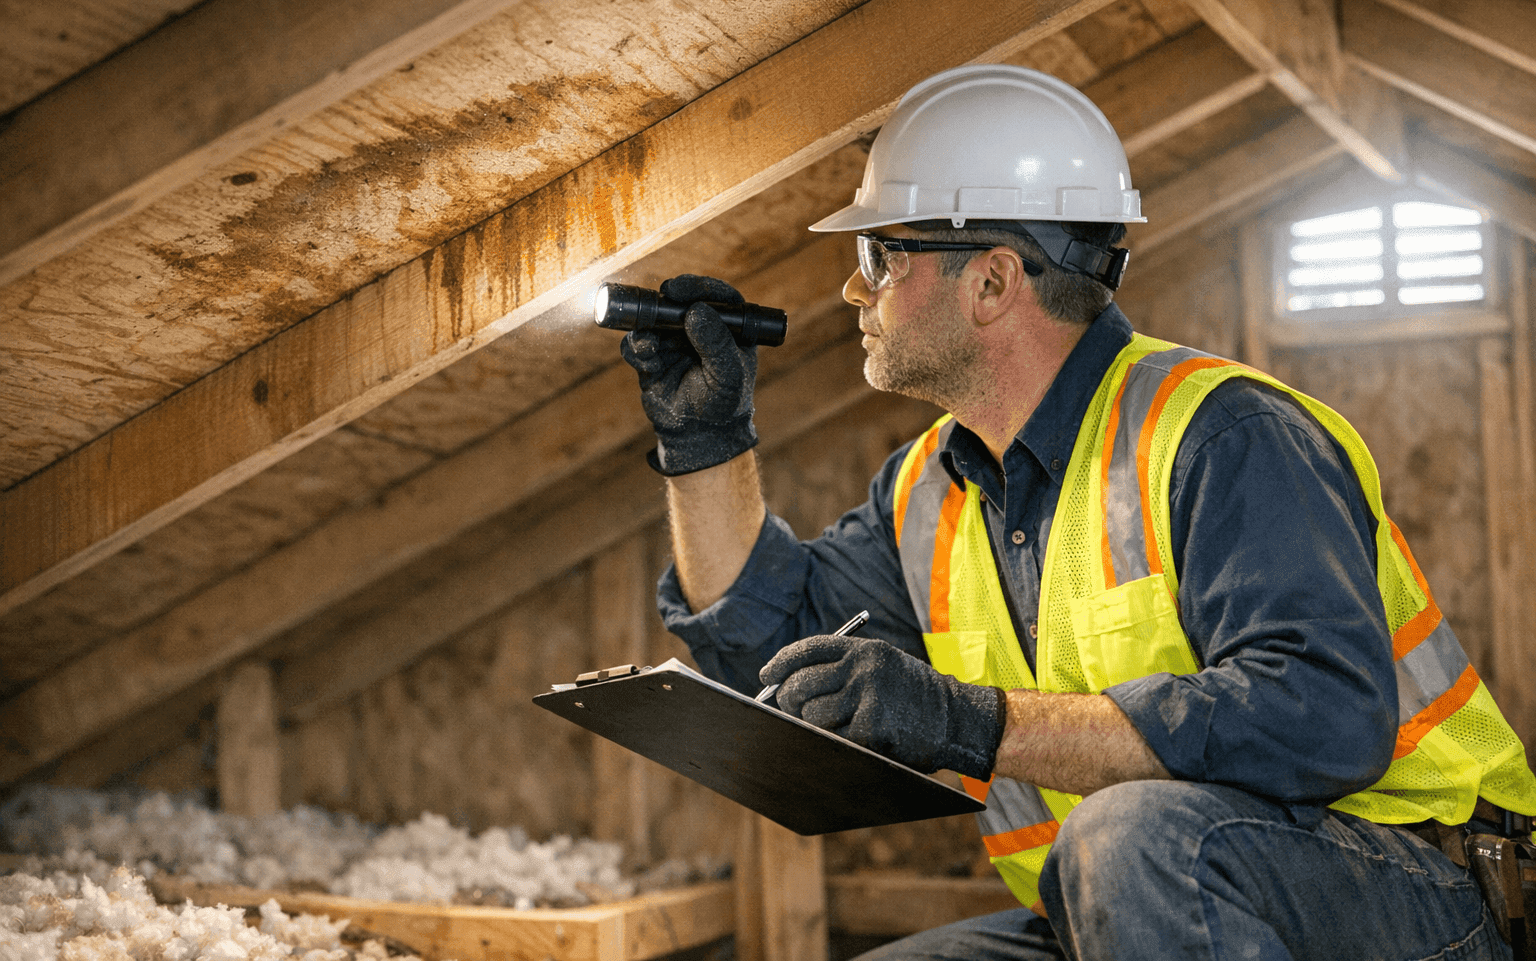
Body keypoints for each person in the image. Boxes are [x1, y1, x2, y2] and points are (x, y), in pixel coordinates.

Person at [618, 65, 1536, 960]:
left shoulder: (1220, 435)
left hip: (1415, 896)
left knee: (1131, 836)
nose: (855, 290)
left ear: (991, 281)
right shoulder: (926, 489)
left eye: (880, 256)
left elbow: (1322, 718)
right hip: (1125, 900)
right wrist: (708, 449)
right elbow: (766, 656)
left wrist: (969, 720)